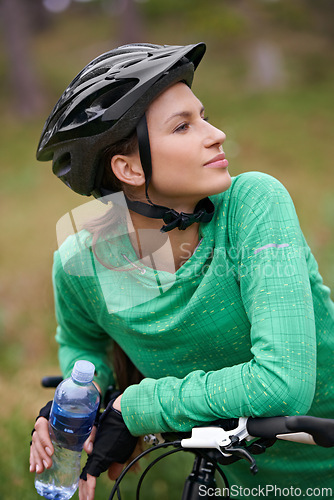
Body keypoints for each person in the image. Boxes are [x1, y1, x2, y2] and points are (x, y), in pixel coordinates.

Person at [29, 43, 334, 500]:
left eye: (203, 116)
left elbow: (283, 383)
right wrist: (77, 409)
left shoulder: (252, 204)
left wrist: (135, 407)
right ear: (127, 167)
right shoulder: (81, 264)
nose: (217, 135)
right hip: (231, 481)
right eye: (183, 126)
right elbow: (83, 349)